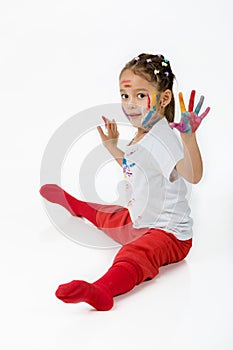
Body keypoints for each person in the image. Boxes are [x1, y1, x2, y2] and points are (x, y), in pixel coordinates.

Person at [39, 53, 210, 311]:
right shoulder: (144, 133)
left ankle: (102, 291)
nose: (130, 104)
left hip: (169, 234)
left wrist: (188, 139)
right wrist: (112, 149)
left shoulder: (162, 138)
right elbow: (134, 168)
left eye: (141, 96)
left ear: (164, 99)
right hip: (141, 221)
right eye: (124, 95)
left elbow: (193, 175)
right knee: (111, 216)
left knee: (135, 254)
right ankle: (76, 205)